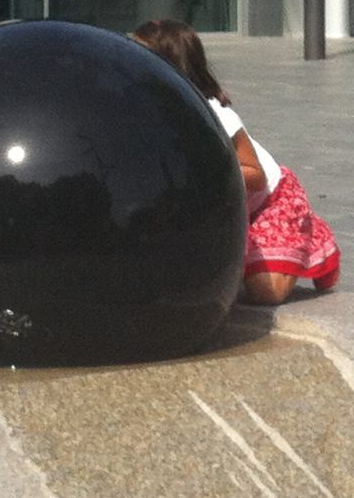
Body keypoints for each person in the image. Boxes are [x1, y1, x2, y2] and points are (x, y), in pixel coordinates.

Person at [131, 18, 339, 305]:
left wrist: (206, 177)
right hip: (223, 205)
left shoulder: (215, 115)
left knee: (265, 293)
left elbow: (256, 175)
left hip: (267, 201)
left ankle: (313, 235)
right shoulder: (149, 111)